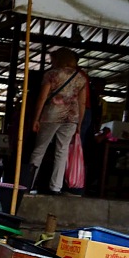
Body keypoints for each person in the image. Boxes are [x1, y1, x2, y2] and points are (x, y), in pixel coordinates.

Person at [26, 47, 87, 195]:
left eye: (52, 59)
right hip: (71, 118)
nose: (51, 61)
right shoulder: (81, 78)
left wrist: (36, 118)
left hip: (52, 115)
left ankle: (29, 183)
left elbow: (42, 97)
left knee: (39, 149)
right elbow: (82, 103)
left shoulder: (51, 74)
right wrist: (79, 123)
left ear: (58, 59)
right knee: (62, 151)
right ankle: (56, 187)